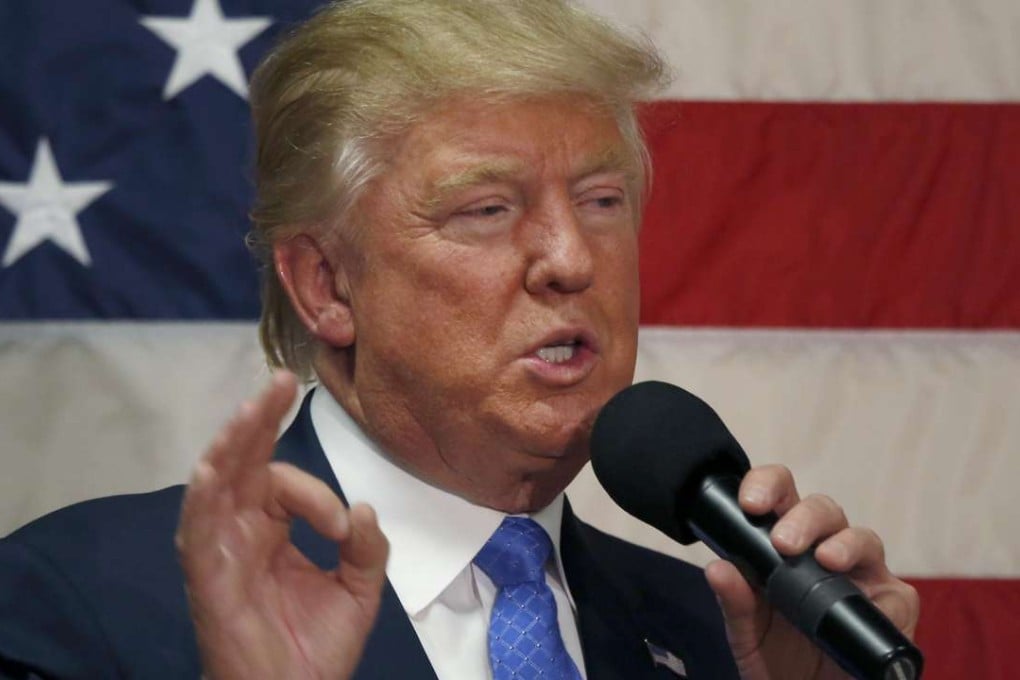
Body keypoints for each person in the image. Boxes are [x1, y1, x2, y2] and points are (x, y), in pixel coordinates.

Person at [0, 1, 919, 678]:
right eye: (487, 210)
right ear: (327, 285)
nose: (570, 260)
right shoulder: (84, 601)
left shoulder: (723, 639)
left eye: (602, 203)